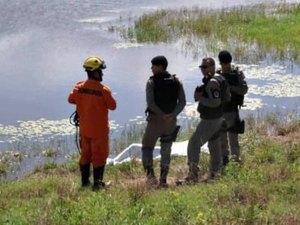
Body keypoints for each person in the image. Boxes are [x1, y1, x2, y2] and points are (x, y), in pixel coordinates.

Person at [68, 56, 117, 190]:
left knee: (85, 155)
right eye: (100, 71)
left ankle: (85, 183)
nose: (102, 74)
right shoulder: (104, 90)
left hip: (85, 130)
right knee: (99, 156)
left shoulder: (78, 88)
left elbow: (71, 99)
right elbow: (113, 106)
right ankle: (98, 184)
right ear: (94, 72)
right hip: (99, 131)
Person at [180, 57, 230, 184]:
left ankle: (193, 175)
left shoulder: (213, 82)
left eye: (205, 67)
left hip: (210, 119)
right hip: (219, 118)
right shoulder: (221, 78)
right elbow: (227, 97)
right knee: (213, 144)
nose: (203, 70)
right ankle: (214, 173)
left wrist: (200, 97)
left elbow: (215, 102)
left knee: (193, 144)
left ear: (212, 67)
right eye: (201, 67)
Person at [142, 55, 186, 187]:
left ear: (160, 66)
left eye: (153, 65)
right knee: (166, 149)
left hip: (155, 120)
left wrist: (162, 115)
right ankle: (163, 179)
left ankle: (150, 177)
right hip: (171, 121)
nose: (151, 68)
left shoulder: (151, 82)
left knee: (147, 147)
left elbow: (151, 104)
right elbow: (182, 102)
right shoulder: (176, 81)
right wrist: (172, 115)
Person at [216, 50, 248, 164]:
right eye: (223, 64)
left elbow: (244, 89)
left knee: (233, 138)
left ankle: (235, 160)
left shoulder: (237, 73)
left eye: (227, 64)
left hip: (232, 110)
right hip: (220, 111)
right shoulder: (217, 74)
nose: (225, 66)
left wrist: (231, 88)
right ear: (220, 63)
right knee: (222, 139)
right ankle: (224, 159)